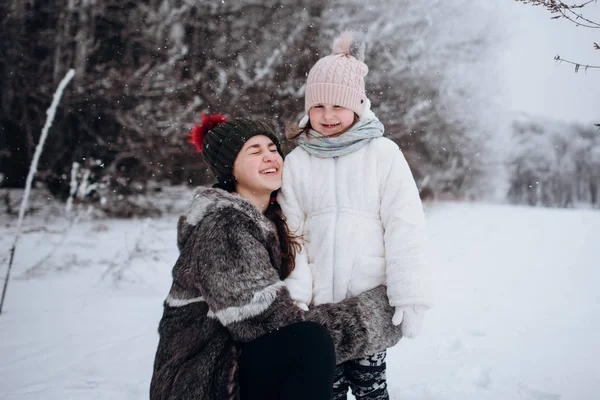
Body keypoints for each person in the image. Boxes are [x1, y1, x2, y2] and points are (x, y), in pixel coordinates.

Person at [149, 114, 402, 400]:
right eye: (254, 152)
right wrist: (374, 313)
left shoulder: (270, 220)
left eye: (272, 149)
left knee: (309, 339)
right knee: (309, 342)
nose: (270, 157)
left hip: (234, 366)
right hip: (204, 383)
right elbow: (269, 324)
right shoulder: (224, 226)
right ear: (229, 168)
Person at [279, 32, 432, 400]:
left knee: (370, 389)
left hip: (368, 306)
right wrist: (295, 299)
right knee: (320, 390)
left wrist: (410, 293)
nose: (327, 116)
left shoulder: (383, 154)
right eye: (318, 107)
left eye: (337, 106)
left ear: (358, 105)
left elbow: (405, 226)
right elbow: (291, 235)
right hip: (318, 311)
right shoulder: (297, 162)